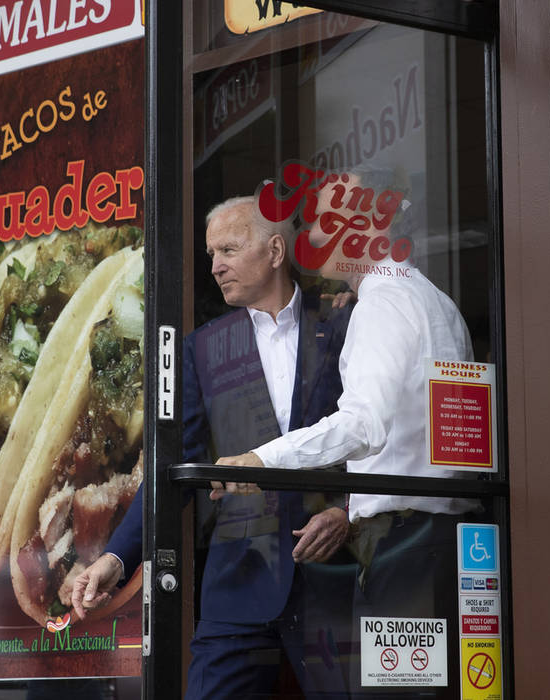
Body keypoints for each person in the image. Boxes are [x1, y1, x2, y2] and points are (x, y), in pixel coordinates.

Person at [71, 196, 354, 699]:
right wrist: (116, 558)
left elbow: (378, 433)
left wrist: (348, 512)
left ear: (274, 250)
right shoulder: (200, 349)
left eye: (228, 249)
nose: (216, 266)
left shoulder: (341, 323)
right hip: (238, 583)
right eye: (211, 255)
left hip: (332, 583)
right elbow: (176, 468)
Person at [218, 167, 480, 697]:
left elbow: (364, 423)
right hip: (445, 542)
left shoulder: (382, 303)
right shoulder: (435, 301)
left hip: (403, 544)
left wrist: (265, 460)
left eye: (324, 221)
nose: (311, 237)